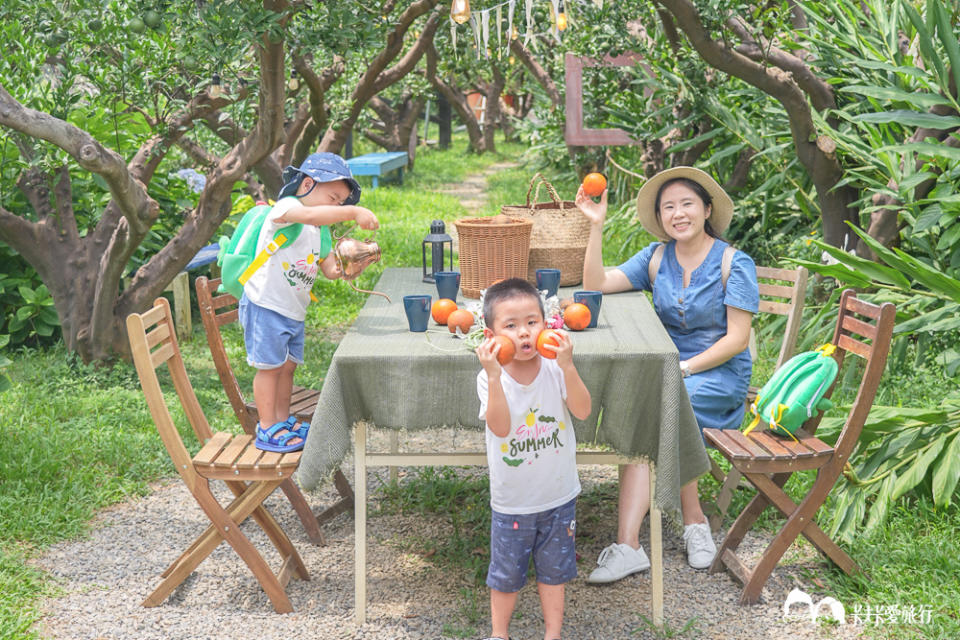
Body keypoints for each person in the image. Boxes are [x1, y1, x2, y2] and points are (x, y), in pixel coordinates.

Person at [575, 166, 758, 580]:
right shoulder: (657, 256)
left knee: (665, 406)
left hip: (718, 376)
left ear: (707, 209)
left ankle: (674, 528)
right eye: (668, 207)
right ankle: (644, 540)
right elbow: (595, 284)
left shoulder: (735, 262)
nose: (678, 214)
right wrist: (596, 227)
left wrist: (685, 368)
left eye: (687, 204)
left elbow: (737, 340)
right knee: (655, 407)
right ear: (660, 217)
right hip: (669, 374)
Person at [475, 278, 592, 640]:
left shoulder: (556, 368)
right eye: (510, 326)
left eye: (531, 322)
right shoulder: (488, 378)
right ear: (490, 335)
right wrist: (495, 377)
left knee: (554, 572)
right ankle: (500, 633)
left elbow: (583, 411)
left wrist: (569, 366)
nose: (524, 333)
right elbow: (499, 426)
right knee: (506, 575)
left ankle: (552, 633)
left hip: (558, 496)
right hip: (513, 502)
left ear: (548, 324)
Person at [239, 152, 379, 453]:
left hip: (293, 310)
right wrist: (353, 213)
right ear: (306, 184)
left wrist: (352, 265)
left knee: (287, 367)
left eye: (341, 202)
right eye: (333, 197)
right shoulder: (288, 208)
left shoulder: (321, 232)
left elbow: (330, 270)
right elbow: (311, 215)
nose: (337, 206)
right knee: (269, 368)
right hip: (266, 303)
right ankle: (266, 427)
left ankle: (281, 418)